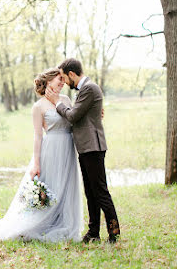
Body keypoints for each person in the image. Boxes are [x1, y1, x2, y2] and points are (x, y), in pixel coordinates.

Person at [0, 68, 83, 242]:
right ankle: (40, 224)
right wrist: (36, 163)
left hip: (68, 148)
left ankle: (64, 222)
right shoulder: (38, 107)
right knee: (52, 185)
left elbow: (75, 119)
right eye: (59, 80)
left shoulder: (65, 99)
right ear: (48, 82)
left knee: (67, 185)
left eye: (63, 80)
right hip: (51, 149)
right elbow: (38, 136)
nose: (62, 83)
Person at [45, 58, 120, 244]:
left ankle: (114, 233)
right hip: (86, 147)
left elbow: (73, 116)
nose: (64, 82)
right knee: (91, 192)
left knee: (100, 192)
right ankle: (93, 232)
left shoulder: (89, 88)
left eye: (64, 77)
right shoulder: (85, 89)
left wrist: (56, 102)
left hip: (93, 147)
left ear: (71, 74)